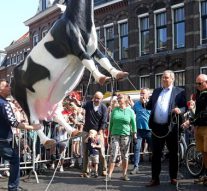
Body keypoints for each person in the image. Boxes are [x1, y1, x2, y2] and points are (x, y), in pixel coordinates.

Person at [145, 70, 187, 187]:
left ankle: (173, 177)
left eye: (166, 77)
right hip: (156, 128)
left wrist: (180, 110)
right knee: (156, 155)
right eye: (163, 77)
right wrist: (144, 102)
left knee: (173, 153)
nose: (164, 79)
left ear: (172, 79)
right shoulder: (157, 91)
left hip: (171, 128)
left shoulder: (180, 92)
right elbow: (149, 106)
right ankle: (155, 179)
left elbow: (185, 107)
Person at [0, 79, 41, 191]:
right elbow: (13, 122)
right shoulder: (4, 104)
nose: (10, 87)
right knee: (15, 160)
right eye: (7, 86)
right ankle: (13, 188)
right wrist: (32, 127)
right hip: (2, 140)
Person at [182, 74, 207, 186]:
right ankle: (206, 175)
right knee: (203, 153)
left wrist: (191, 122)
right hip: (199, 127)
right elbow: (198, 113)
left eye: (200, 83)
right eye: (196, 83)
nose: (197, 86)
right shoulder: (199, 94)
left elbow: (205, 113)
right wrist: (192, 121)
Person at [106, 94, 137, 181]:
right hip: (114, 134)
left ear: (126, 99)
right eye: (118, 98)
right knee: (113, 154)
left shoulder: (130, 111)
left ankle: (124, 174)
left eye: (120, 98)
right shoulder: (114, 110)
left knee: (125, 156)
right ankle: (109, 175)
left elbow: (133, 124)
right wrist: (109, 135)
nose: (118, 99)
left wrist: (134, 135)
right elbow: (111, 123)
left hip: (126, 135)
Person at [81, 91, 108, 177]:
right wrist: (75, 102)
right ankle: (85, 171)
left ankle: (104, 170)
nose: (96, 100)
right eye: (95, 98)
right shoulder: (89, 104)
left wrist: (99, 132)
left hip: (98, 131)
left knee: (102, 152)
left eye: (98, 98)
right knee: (85, 152)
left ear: (101, 99)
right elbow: (80, 105)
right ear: (93, 97)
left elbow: (104, 122)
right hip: (86, 131)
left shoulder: (104, 108)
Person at [130, 88, 151, 174]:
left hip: (149, 130)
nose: (142, 95)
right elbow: (132, 114)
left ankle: (156, 168)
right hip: (139, 130)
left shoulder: (151, 104)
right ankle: (136, 167)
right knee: (137, 148)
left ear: (148, 95)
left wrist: (145, 104)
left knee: (154, 148)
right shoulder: (136, 104)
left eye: (143, 93)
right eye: (141, 93)